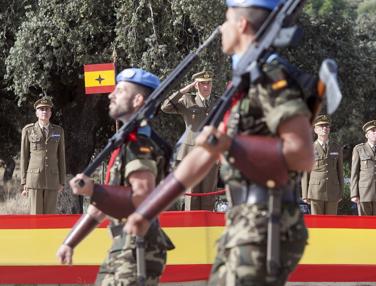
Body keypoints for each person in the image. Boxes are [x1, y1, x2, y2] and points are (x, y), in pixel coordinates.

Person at [123, 0, 315, 284]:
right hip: (244, 221)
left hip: (268, 223)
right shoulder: (243, 83)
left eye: (226, 20)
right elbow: (202, 155)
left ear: (242, 25)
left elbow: (302, 154)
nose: (221, 28)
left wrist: (230, 146)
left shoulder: (271, 77)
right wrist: (148, 210)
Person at [56, 68, 173, 285]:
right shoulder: (128, 141)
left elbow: (142, 198)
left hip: (138, 247)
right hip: (124, 244)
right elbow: (101, 206)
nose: (111, 95)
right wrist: (70, 242)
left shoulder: (140, 143)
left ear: (138, 100)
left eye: (119, 91)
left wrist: (94, 190)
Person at [160, 70, 219, 211]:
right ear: (196, 85)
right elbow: (165, 107)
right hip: (190, 153)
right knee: (192, 193)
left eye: (209, 83)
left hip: (211, 153)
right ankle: (190, 228)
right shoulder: (188, 100)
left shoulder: (217, 102)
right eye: (202, 83)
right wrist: (185, 90)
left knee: (208, 193)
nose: (206, 87)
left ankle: (208, 227)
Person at [20, 96, 66, 214]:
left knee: (49, 218)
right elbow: (24, 157)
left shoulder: (58, 131)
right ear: (36, 113)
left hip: (52, 179)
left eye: (47, 109)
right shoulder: (28, 130)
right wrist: (24, 182)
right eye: (41, 109)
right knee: (35, 215)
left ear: (50, 113)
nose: (44, 111)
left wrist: (62, 181)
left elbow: (61, 157)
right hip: (34, 179)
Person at [301, 114, 343, 215]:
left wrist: (340, 192)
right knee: (317, 224)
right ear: (315, 130)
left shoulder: (336, 147)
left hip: (333, 190)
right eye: (321, 126)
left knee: (331, 224)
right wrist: (305, 194)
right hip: (315, 191)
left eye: (327, 126)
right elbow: (305, 173)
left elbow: (340, 171)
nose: (325, 128)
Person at [350, 120, 376, 216]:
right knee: (364, 224)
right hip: (363, 193)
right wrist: (354, 194)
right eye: (373, 131)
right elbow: (354, 173)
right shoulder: (359, 149)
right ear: (366, 135)